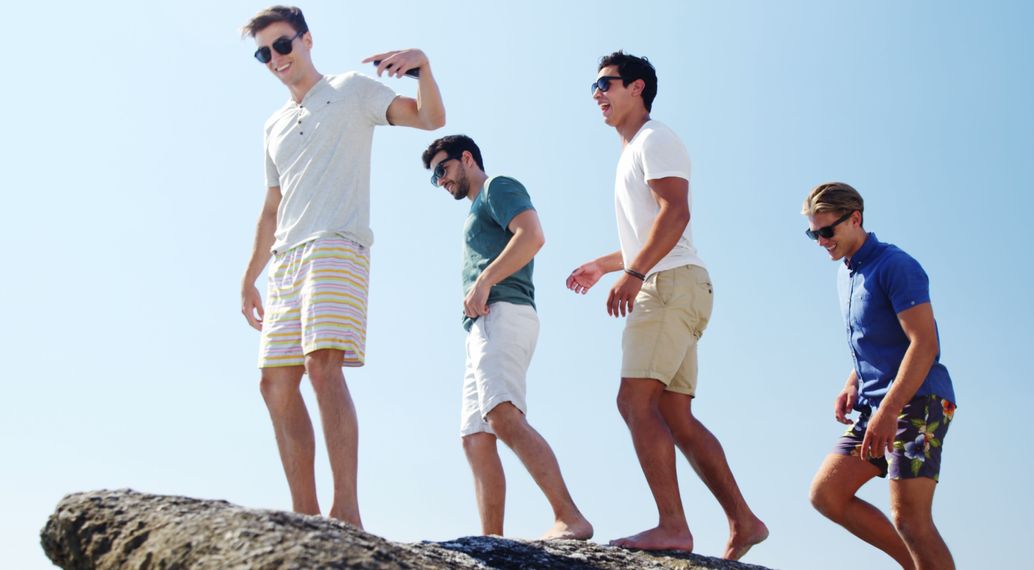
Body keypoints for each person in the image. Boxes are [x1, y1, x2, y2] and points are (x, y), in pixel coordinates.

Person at [238, 5, 445, 529]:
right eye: (264, 53)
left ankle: (346, 511)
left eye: (283, 45)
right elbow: (271, 207)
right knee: (274, 384)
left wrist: (423, 67)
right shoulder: (273, 125)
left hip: (337, 243)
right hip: (286, 261)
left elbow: (429, 120)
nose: (275, 59)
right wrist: (249, 276)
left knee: (321, 367)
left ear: (308, 40)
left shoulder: (352, 90)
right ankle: (305, 517)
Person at [565, 51, 768, 558]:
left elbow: (675, 212)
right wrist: (607, 264)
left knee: (634, 402)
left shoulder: (655, 139)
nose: (597, 94)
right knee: (675, 415)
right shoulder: (634, 150)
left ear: (637, 88)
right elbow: (652, 229)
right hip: (682, 285)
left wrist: (634, 273)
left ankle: (673, 526)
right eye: (593, 87)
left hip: (668, 286)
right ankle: (743, 520)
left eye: (605, 83)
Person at [422, 135, 593, 540]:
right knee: (475, 437)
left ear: (467, 159)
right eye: (433, 178)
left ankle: (570, 517)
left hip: (505, 312)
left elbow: (532, 236)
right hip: (480, 327)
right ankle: (492, 541)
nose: (440, 181)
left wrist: (484, 281)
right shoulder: (473, 212)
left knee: (502, 415)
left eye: (442, 170)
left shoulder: (497, 187)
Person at [803, 182, 957, 570]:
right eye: (813, 233)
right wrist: (852, 382)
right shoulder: (846, 273)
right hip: (876, 407)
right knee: (828, 494)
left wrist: (890, 409)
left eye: (826, 231)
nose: (821, 241)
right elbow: (876, 340)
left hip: (917, 401)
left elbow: (925, 344)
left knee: (911, 519)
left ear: (855, 219)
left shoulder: (896, 265)